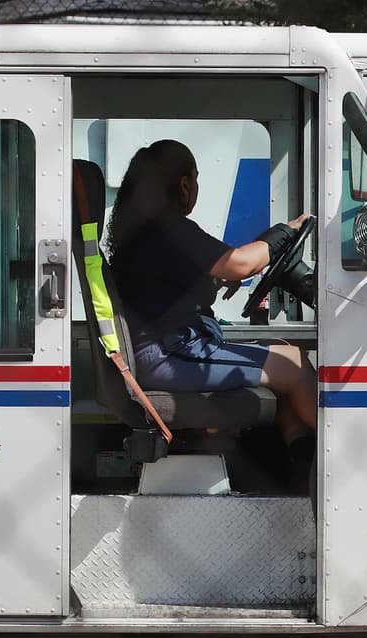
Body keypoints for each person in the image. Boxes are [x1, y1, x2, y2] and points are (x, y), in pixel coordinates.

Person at [106, 139, 317, 465]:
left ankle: (301, 457)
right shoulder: (170, 229)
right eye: (197, 179)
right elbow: (240, 263)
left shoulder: (144, 232)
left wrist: (218, 277)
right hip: (170, 357)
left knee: (280, 346)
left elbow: (176, 282)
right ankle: (343, 461)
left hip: (164, 350)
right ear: (185, 184)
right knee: (297, 366)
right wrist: (287, 231)